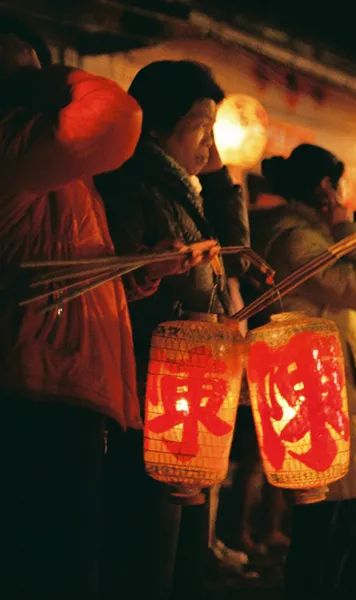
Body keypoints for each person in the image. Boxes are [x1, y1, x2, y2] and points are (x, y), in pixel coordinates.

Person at [0, 19, 153, 597]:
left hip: (60, 382)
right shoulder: (14, 145)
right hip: (33, 389)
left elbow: (57, 257)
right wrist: (51, 74)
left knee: (65, 559)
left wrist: (133, 276)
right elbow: (117, 117)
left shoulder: (47, 164)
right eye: (14, 75)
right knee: (49, 564)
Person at [96, 60, 235, 598]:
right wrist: (152, 271)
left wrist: (221, 177)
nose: (210, 144)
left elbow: (230, 260)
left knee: (182, 554)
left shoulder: (186, 190)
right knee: (149, 554)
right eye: (202, 127)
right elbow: (117, 287)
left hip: (189, 392)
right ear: (157, 126)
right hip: (151, 392)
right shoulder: (132, 187)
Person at [252, 144, 356, 598]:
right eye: (339, 186)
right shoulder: (296, 238)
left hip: (332, 386)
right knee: (327, 521)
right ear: (326, 188)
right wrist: (348, 225)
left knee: (346, 518)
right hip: (318, 393)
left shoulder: (307, 235)